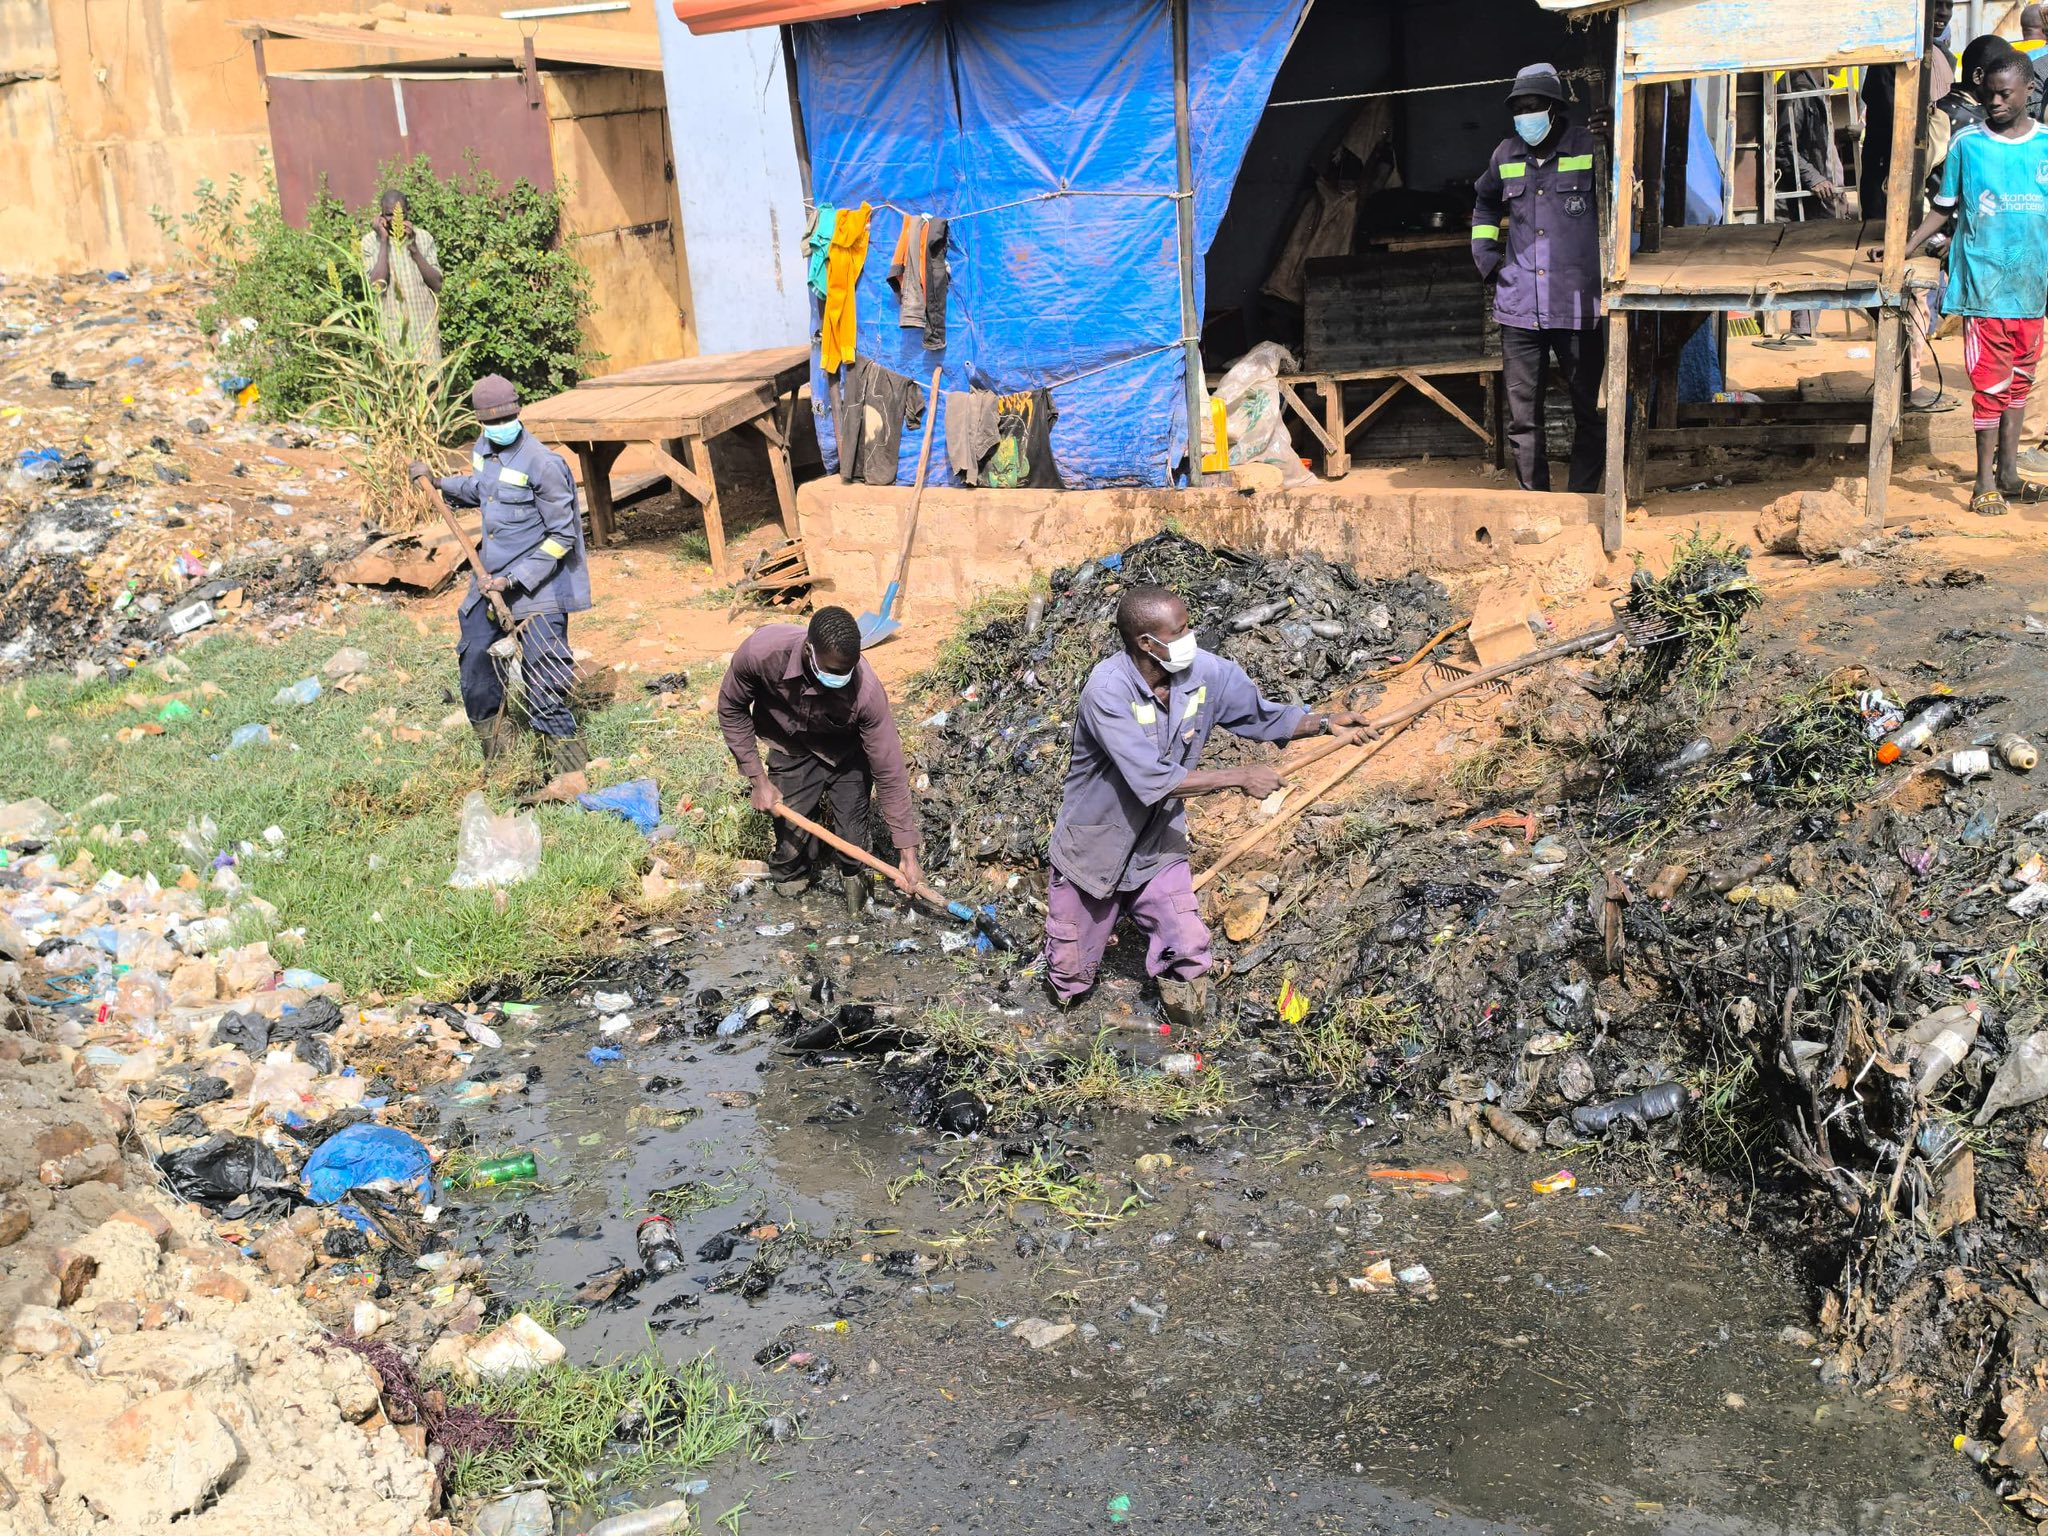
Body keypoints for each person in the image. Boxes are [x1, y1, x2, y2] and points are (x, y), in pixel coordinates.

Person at [1043, 584, 1371, 1029]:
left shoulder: (1206, 674)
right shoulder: (1107, 691)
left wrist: (1325, 723)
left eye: (1188, 626)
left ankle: (1189, 1034)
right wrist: (1239, 776)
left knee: (1187, 944)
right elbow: (1153, 779)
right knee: (1071, 970)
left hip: (1157, 843)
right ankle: (1065, 1035)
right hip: (1094, 846)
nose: (1189, 638)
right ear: (1146, 642)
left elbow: (1262, 716)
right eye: (1178, 631)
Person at [408, 374, 590, 773]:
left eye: (503, 420)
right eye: (489, 423)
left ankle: (572, 770)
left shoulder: (543, 463)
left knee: (544, 679)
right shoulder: (484, 448)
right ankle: (501, 759)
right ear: (480, 423)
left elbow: (562, 537)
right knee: (474, 663)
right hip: (488, 577)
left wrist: (514, 579)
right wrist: (440, 484)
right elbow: (482, 489)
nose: (497, 429)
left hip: (538, 584)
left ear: (517, 413)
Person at [1894, 51, 2048, 516]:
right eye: (1989, 94)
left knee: (2021, 382)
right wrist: (1907, 246)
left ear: (2029, 93)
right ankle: (1983, 481)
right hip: (1983, 285)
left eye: (2006, 95)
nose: (1995, 102)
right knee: (1989, 386)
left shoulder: (2044, 146)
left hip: (2031, 288)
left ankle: (2010, 474)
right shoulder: (1966, 145)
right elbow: (1944, 206)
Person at [717, 607, 922, 913]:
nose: (839, 679)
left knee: (853, 848)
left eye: (846, 672)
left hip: (847, 755)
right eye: (832, 671)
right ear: (810, 650)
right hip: (791, 748)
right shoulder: (763, 652)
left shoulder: (866, 692)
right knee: (790, 856)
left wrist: (908, 852)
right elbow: (731, 708)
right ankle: (794, 909)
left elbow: (889, 771)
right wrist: (758, 780)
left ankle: (856, 901)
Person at [1470, 62, 1605, 495]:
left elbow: (1629, 192)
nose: (1526, 114)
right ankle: (1535, 500)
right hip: (1519, 306)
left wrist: (1615, 141)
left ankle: (1582, 496)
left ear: (1554, 108)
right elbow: (1484, 204)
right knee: (1523, 416)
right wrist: (1487, 259)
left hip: (1579, 303)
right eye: (1519, 107)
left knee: (1590, 409)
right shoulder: (1505, 155)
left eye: (1534, 105)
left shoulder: (1590, 146)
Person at [1864, 0, 1956, 410]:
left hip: (1922, 184)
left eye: (1949, 7)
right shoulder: (1890, 58)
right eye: (1936, 6)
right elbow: (1898, 123)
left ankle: (1908, 379)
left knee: (1915, 286)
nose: (1942, 14)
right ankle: (1908, 382)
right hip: (1893, 183)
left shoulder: (1940, 56)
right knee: (1904, 285)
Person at [1769, 69, 1848, 343]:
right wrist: (1813, 178)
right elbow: (1782, 146)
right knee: (1809, 254)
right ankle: (1802, 328)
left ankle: (1807, 326)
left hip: (1824, 187)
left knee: (1822, 254)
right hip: (1809, 191)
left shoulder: (1816, 85)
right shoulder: (1798, 88)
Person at [363, 189, 444, 367]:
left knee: (431, 389)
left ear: (408, 211)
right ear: (381, 215)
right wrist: (383, 242)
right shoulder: (371, 242)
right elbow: (377, 285)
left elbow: (437, 284)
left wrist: (413, 248)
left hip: (424, 335)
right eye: (389, 215)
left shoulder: (423, 238)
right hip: (392, 337)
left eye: (399, 214)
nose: (394, 220)